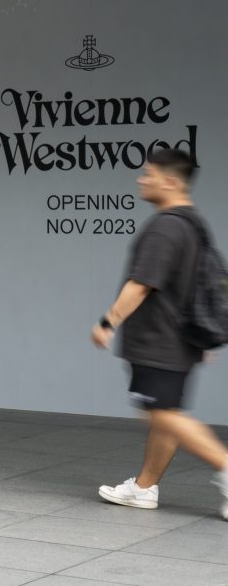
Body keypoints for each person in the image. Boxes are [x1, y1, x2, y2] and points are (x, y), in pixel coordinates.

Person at [92, 149, 228, 518]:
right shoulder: (194, 224)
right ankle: (144, 487)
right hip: (181, 339)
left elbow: (141, 284)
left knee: (163, 415)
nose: (141, 179)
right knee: (164, 410)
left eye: (148, 174)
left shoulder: (165, 226)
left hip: (159, 339)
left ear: (170, 181)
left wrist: (107, 322)